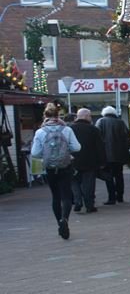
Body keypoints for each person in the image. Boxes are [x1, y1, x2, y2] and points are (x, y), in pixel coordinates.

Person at [31, 102, 81, 239]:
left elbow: (35, 153)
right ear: (58, 115)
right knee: (66, 195)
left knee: (55, 196)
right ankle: (65, 219)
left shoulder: (40, 132)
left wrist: (45, 155)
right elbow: (77, 148)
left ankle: (59, 223)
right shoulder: (67, 130)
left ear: (45, 116)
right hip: (65, 166)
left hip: (50, 168)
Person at [69, 108, 105, 213]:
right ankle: (89, 205)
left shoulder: (70, 129)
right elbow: (100, 147)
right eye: (89, 116)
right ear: (86, 116)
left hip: (73, 161)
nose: (90, 118)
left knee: (74, 182)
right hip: (90, 161)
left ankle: (77, 200)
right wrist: (102, 162)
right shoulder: (93, 129)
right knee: (88, 184)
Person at [95, 106, 130, 204]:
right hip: (119, 155)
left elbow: (97, 138)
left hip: (106, 155)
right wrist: (125, 149)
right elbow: (128, 139)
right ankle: (120, 196)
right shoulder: (121, 122)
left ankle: (111, 198)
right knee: (119, 176)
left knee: (108, 177)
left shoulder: (100, 122)